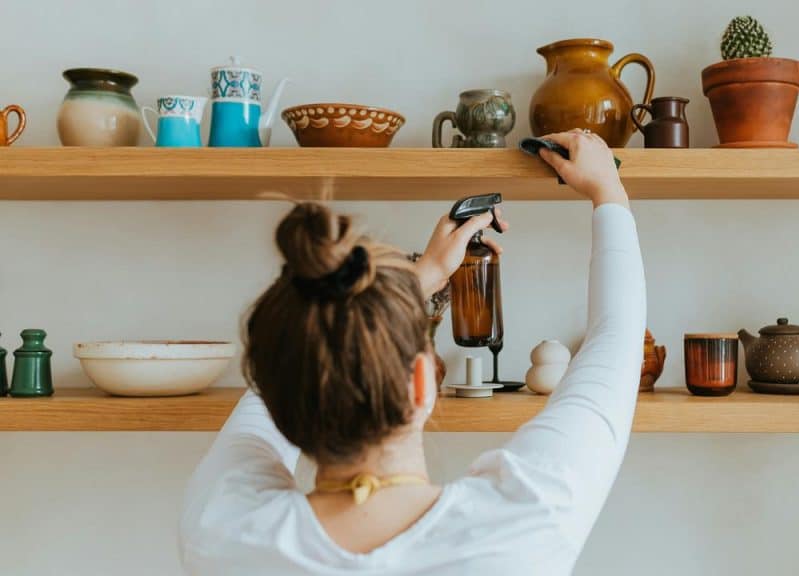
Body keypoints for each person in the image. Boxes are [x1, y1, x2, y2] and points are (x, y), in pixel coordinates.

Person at [179, 130, 646, 575]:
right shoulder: (524, 522)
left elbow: (285, 363)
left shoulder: (224, 529)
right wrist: (608, 191)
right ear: (423, 381)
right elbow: (617, 341)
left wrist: (417, 280)